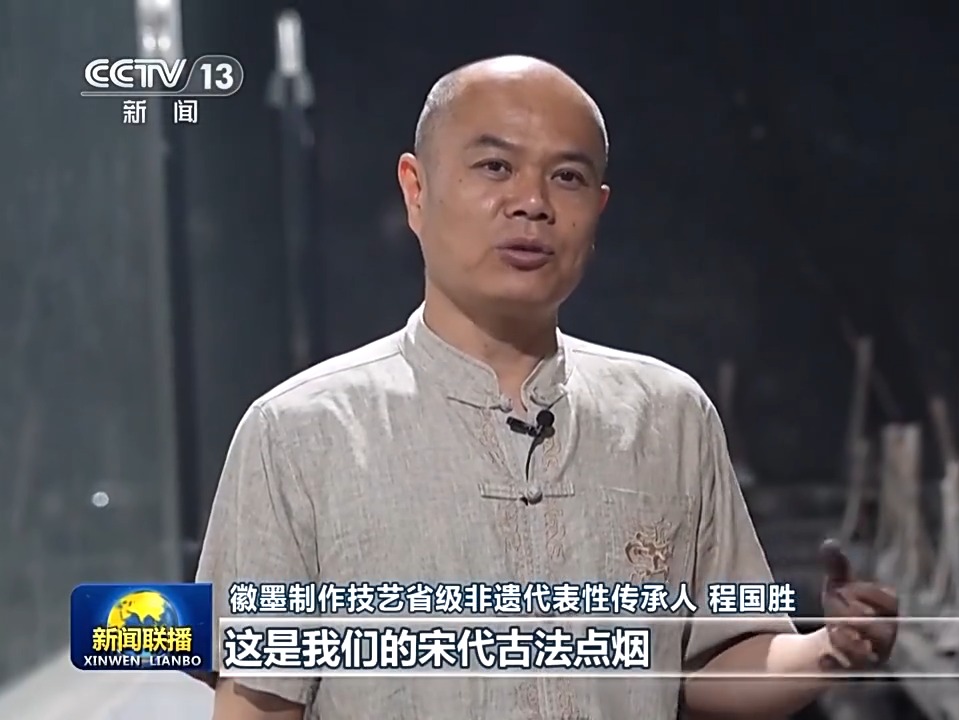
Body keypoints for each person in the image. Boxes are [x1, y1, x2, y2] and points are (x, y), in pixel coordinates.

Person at [198, 54, 899, 719]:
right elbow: (258, 701)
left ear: (599, 208)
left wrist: (828, 649)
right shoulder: (299, 435)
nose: (531, 203)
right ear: (416, 190)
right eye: (495, 167)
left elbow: (712, 663)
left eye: (566, 177)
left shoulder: (668, 417)